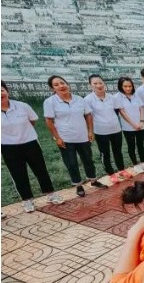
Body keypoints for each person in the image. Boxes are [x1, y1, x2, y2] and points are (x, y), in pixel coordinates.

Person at [1, 80, 63, 211]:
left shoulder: (22, 106)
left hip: (30, 143)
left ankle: (51, 194)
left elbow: (33, 120)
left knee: (40, 170)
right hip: (8, 147)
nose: (0, 94)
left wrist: (25, 133)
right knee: (18, 174)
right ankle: (27, 200)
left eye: (1, 90)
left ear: (7, 91)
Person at [43, 75, 107, 197]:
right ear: (52, 89)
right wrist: (57, 137)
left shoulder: (79, 99)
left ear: (67, 84)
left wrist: (90, 131)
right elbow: (49, 121)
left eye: (62, 83)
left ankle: (93, 180)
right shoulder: (50, 102)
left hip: (82, 136)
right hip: (65, 138)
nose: (61, 86)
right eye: (56, 85)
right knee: (71, 163)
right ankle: (78, 185)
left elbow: (88, 115)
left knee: (88, 159)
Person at [85, 74, 133, 183]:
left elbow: (120, 112)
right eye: (95, 83)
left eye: (100, 83)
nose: (98, 85)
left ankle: (121, 170)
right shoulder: (88, 100)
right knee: (105, 153)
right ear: (90, 86)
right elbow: (88, 117)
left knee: (118, 151)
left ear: (104, 84)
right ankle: (111, 173)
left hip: (115, 129)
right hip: (101, 131)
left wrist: (133, 124)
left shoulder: (112, 98)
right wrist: (90, 132)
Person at [115, 77, 144, 174]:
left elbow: (141, 108)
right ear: (121, 86)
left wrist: (141, 121)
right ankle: (135, 164)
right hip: (128, 127)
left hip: (140, 124)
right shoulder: (118, 97)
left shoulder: (136, 95)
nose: (128, 88)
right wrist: (134, 125)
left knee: (141, 144)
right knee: (131, 146)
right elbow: (122, 113)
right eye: (125, 86)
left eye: (130, 86)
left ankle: (142, 162)